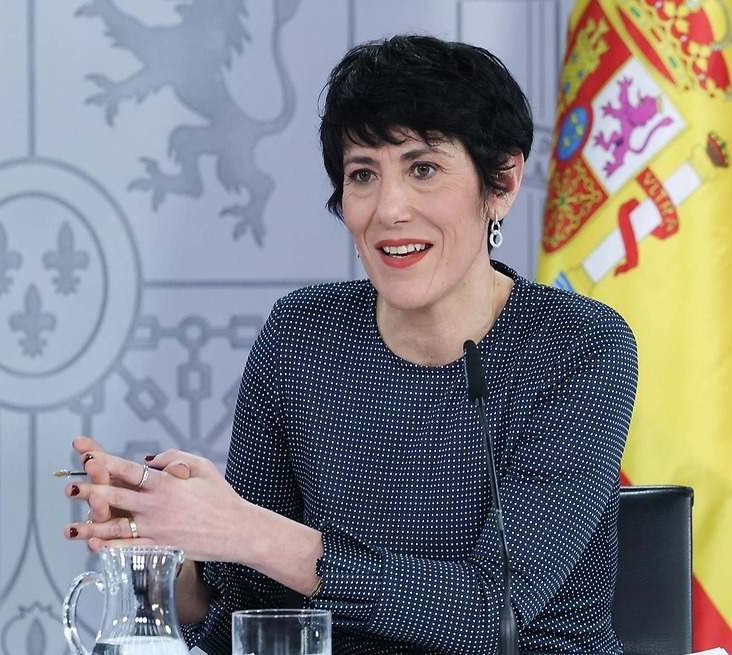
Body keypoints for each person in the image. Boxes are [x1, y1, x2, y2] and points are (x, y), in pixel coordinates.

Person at [63, 34, 638, 654]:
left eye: (423, 169)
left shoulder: (578, 345)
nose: (388, 209)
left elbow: (489, 614)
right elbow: (251, 621)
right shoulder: (303, 335)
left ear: (501, 181)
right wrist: (169, 551)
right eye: (363, 174)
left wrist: (246, 530)